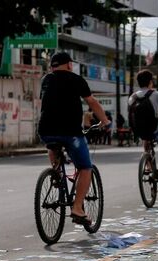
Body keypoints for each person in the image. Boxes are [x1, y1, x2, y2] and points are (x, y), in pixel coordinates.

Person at [39, 51, 109, 226]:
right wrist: (104, 120)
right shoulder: (76, 79)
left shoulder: (46, 80)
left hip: (45, 130)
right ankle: (77, 207)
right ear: (69, 65)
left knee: (52, 143)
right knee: (86, 167)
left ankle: (57, 175)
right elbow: (92, 102)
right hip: (70, 132)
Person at [129, 69, 158, 199]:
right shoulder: (157, 95)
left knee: (146, 141)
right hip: (156, 130)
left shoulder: (133, 97)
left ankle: (148, 165)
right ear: (150, 82)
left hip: (141, 131)